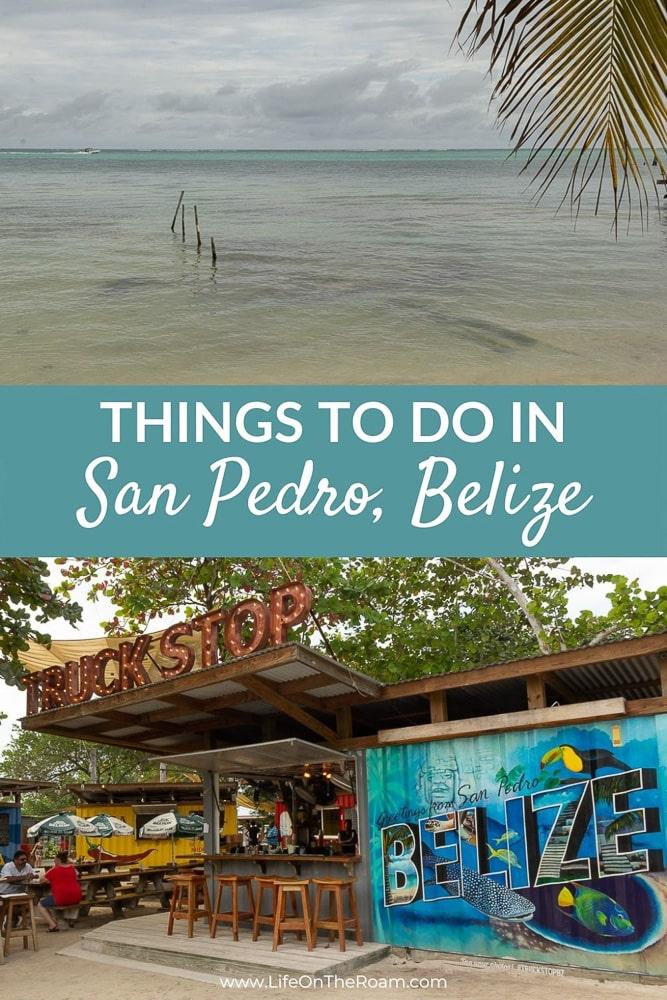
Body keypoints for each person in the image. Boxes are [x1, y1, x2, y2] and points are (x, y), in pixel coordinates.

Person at [36, 851, 82, 931]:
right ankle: (66, 920)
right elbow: (77, 876)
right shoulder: (72, 868)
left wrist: (50, 879)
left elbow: (41, 880)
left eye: (54, 860)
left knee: (40, 904)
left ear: (58, 860)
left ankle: (52, 925)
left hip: (61, 898)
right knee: (54, 897)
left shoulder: (54, 870)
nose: (54, 861)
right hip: (77, 897)